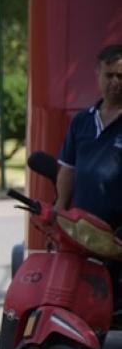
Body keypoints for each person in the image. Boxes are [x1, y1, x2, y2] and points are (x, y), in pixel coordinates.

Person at [56, 43, 122, 230]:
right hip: (82, 230)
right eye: (109, 75)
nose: (115, 82)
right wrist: (60, 206)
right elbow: (68, 169)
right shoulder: (82, 121)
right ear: (98, 75)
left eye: (120, 76)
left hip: (117, 235)